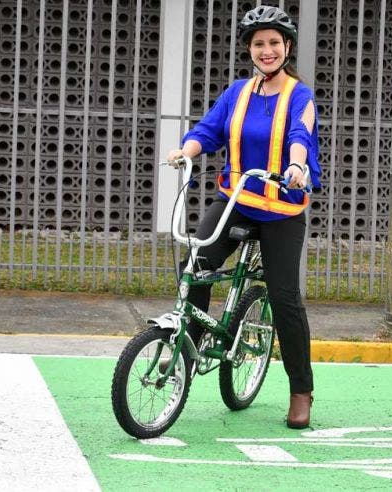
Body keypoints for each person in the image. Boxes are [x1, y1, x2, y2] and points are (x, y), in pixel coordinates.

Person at [166, 5, 321, 429]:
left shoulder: (298, 96)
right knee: (195, 265)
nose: (266, 50)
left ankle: (300, 390)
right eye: (259, 44)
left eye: (274, 43)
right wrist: (187, 151)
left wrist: (295, 166)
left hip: (282, 209)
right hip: (236, 199)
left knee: (285, 298)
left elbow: (299, 136)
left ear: (286, 48)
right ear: (250, 50)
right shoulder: (237, 92)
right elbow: (208, 130)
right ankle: (191, 345)